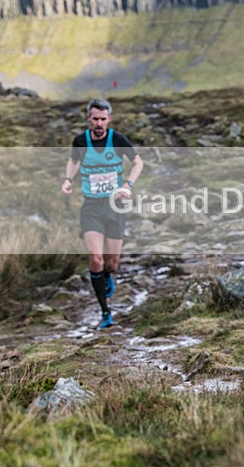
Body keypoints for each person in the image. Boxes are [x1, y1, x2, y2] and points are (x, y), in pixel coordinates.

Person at [61, 98, 143, 329]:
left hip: (115, 206)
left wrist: (128, 185)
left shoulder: (117, 139)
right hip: (91, 207)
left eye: (103, 119)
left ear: (109, 119)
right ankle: (105, 312)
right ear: (89, 118)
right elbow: (73, 161)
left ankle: (108, 276)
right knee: (95, 259)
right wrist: (68, 180)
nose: (99, 123)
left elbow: (138, 163)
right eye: (95, 118)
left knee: (112, 263)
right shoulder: (80, 141)